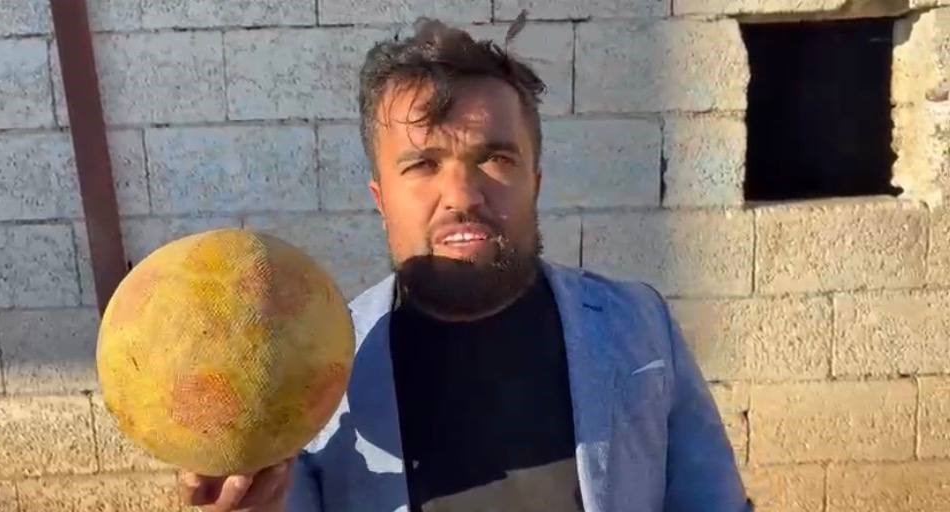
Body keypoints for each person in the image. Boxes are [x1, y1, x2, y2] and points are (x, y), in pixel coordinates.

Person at [178, 17, 752, 512]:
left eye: (495, 158)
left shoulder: (639, 327)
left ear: (535, 181)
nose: (462, 196)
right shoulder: (314, 371)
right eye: (422, 164)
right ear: (380, 198)